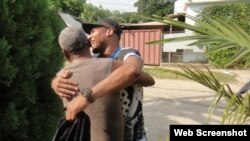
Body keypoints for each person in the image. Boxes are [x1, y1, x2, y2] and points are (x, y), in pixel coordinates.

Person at [51, 19, 155, 141]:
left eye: (93, 31)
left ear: (109, 31)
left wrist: (86, 96)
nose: (90, 37)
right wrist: (56, 81)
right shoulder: (96, 59)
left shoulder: (126, 53)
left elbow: (133, 71)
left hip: (133, 136)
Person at [56, 26, 124, 141]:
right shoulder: (113, 65)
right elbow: (147, 79)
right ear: (88, 43)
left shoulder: (61, 77)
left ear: (65, 53)